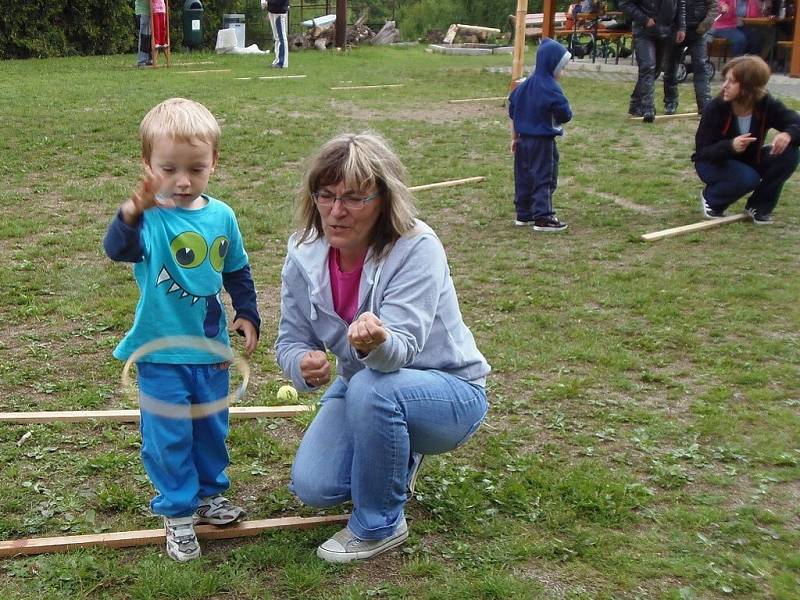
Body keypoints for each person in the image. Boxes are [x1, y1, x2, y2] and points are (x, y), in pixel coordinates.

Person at [276, 132, 490, 563]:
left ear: (382, 199)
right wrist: (303, 363)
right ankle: (396, 453)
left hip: (449, 391)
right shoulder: (303, 251)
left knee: (376, 387)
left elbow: (402, 351)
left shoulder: (416, 247)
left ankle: (380, 524)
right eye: (327, 195)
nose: (337, 211)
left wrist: (377, 341)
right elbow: (290, 340)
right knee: (314, 487)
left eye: (354, 198)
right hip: (363, 388)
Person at [103, 98, 260, 562]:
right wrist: (131, 210)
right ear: (148, 167)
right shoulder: (149, 220)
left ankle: (210, 496)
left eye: (196, 168)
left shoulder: (222, 216)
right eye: (169, 169)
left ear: (215, 162)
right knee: (168, 437)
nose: (183, 181)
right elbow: (118, 249)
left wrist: (247, 312)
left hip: (211, 351)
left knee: (212, 429)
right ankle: (177, 512)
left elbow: (238, 270)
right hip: (159, 355)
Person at [693, 55, 800, 224]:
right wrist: (730, 146)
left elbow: (795, 121)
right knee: (748, 178)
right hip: (713, 162)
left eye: (732, 82)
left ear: (748, 88)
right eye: (725, 80)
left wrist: (788, 134)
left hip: (749, 159)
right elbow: (702, 153)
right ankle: (712, 200)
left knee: (790, 152)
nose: (725, 86)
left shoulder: (765, 103)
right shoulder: (716, 108)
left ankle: (759, 207)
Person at [508, 38, 572, 232]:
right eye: (562, 67)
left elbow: (512, 109)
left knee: (524, 176)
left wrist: (514, 137)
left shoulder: (523, 85)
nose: (563, 72)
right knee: (545, 177)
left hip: (522, 141)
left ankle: (524, 213)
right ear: (552, 65)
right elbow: (565, 114)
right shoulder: (551, 88)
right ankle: (543, 217)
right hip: (543, 143)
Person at [621, 0, 687, 122]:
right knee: (648, 66)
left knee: (655, 70)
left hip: (665, 30)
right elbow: (625, 4)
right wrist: (644, 19)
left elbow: (680, 4)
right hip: (643, 30)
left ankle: (636, 103)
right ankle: (648, 108)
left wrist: (681, 27)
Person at [663, 0, 717, 114]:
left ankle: (704, 103)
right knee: (670, 67)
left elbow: (713, 6)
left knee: (701, 67)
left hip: (698, 32)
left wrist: (705, 25)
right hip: (675, 31)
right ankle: (670, 102)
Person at [261, 0, 289, 68]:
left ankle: (282, 62)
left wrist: (268, 3)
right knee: (277, 38)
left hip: (279, 12)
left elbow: (281, 1)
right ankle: (277, 60)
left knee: (281, 38)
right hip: (273, 11)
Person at [134, 0, 152, 67]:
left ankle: (148, 59)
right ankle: (142, 60)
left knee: (149, 37)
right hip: (142, 12)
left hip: (149, 13)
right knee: (144, 37)